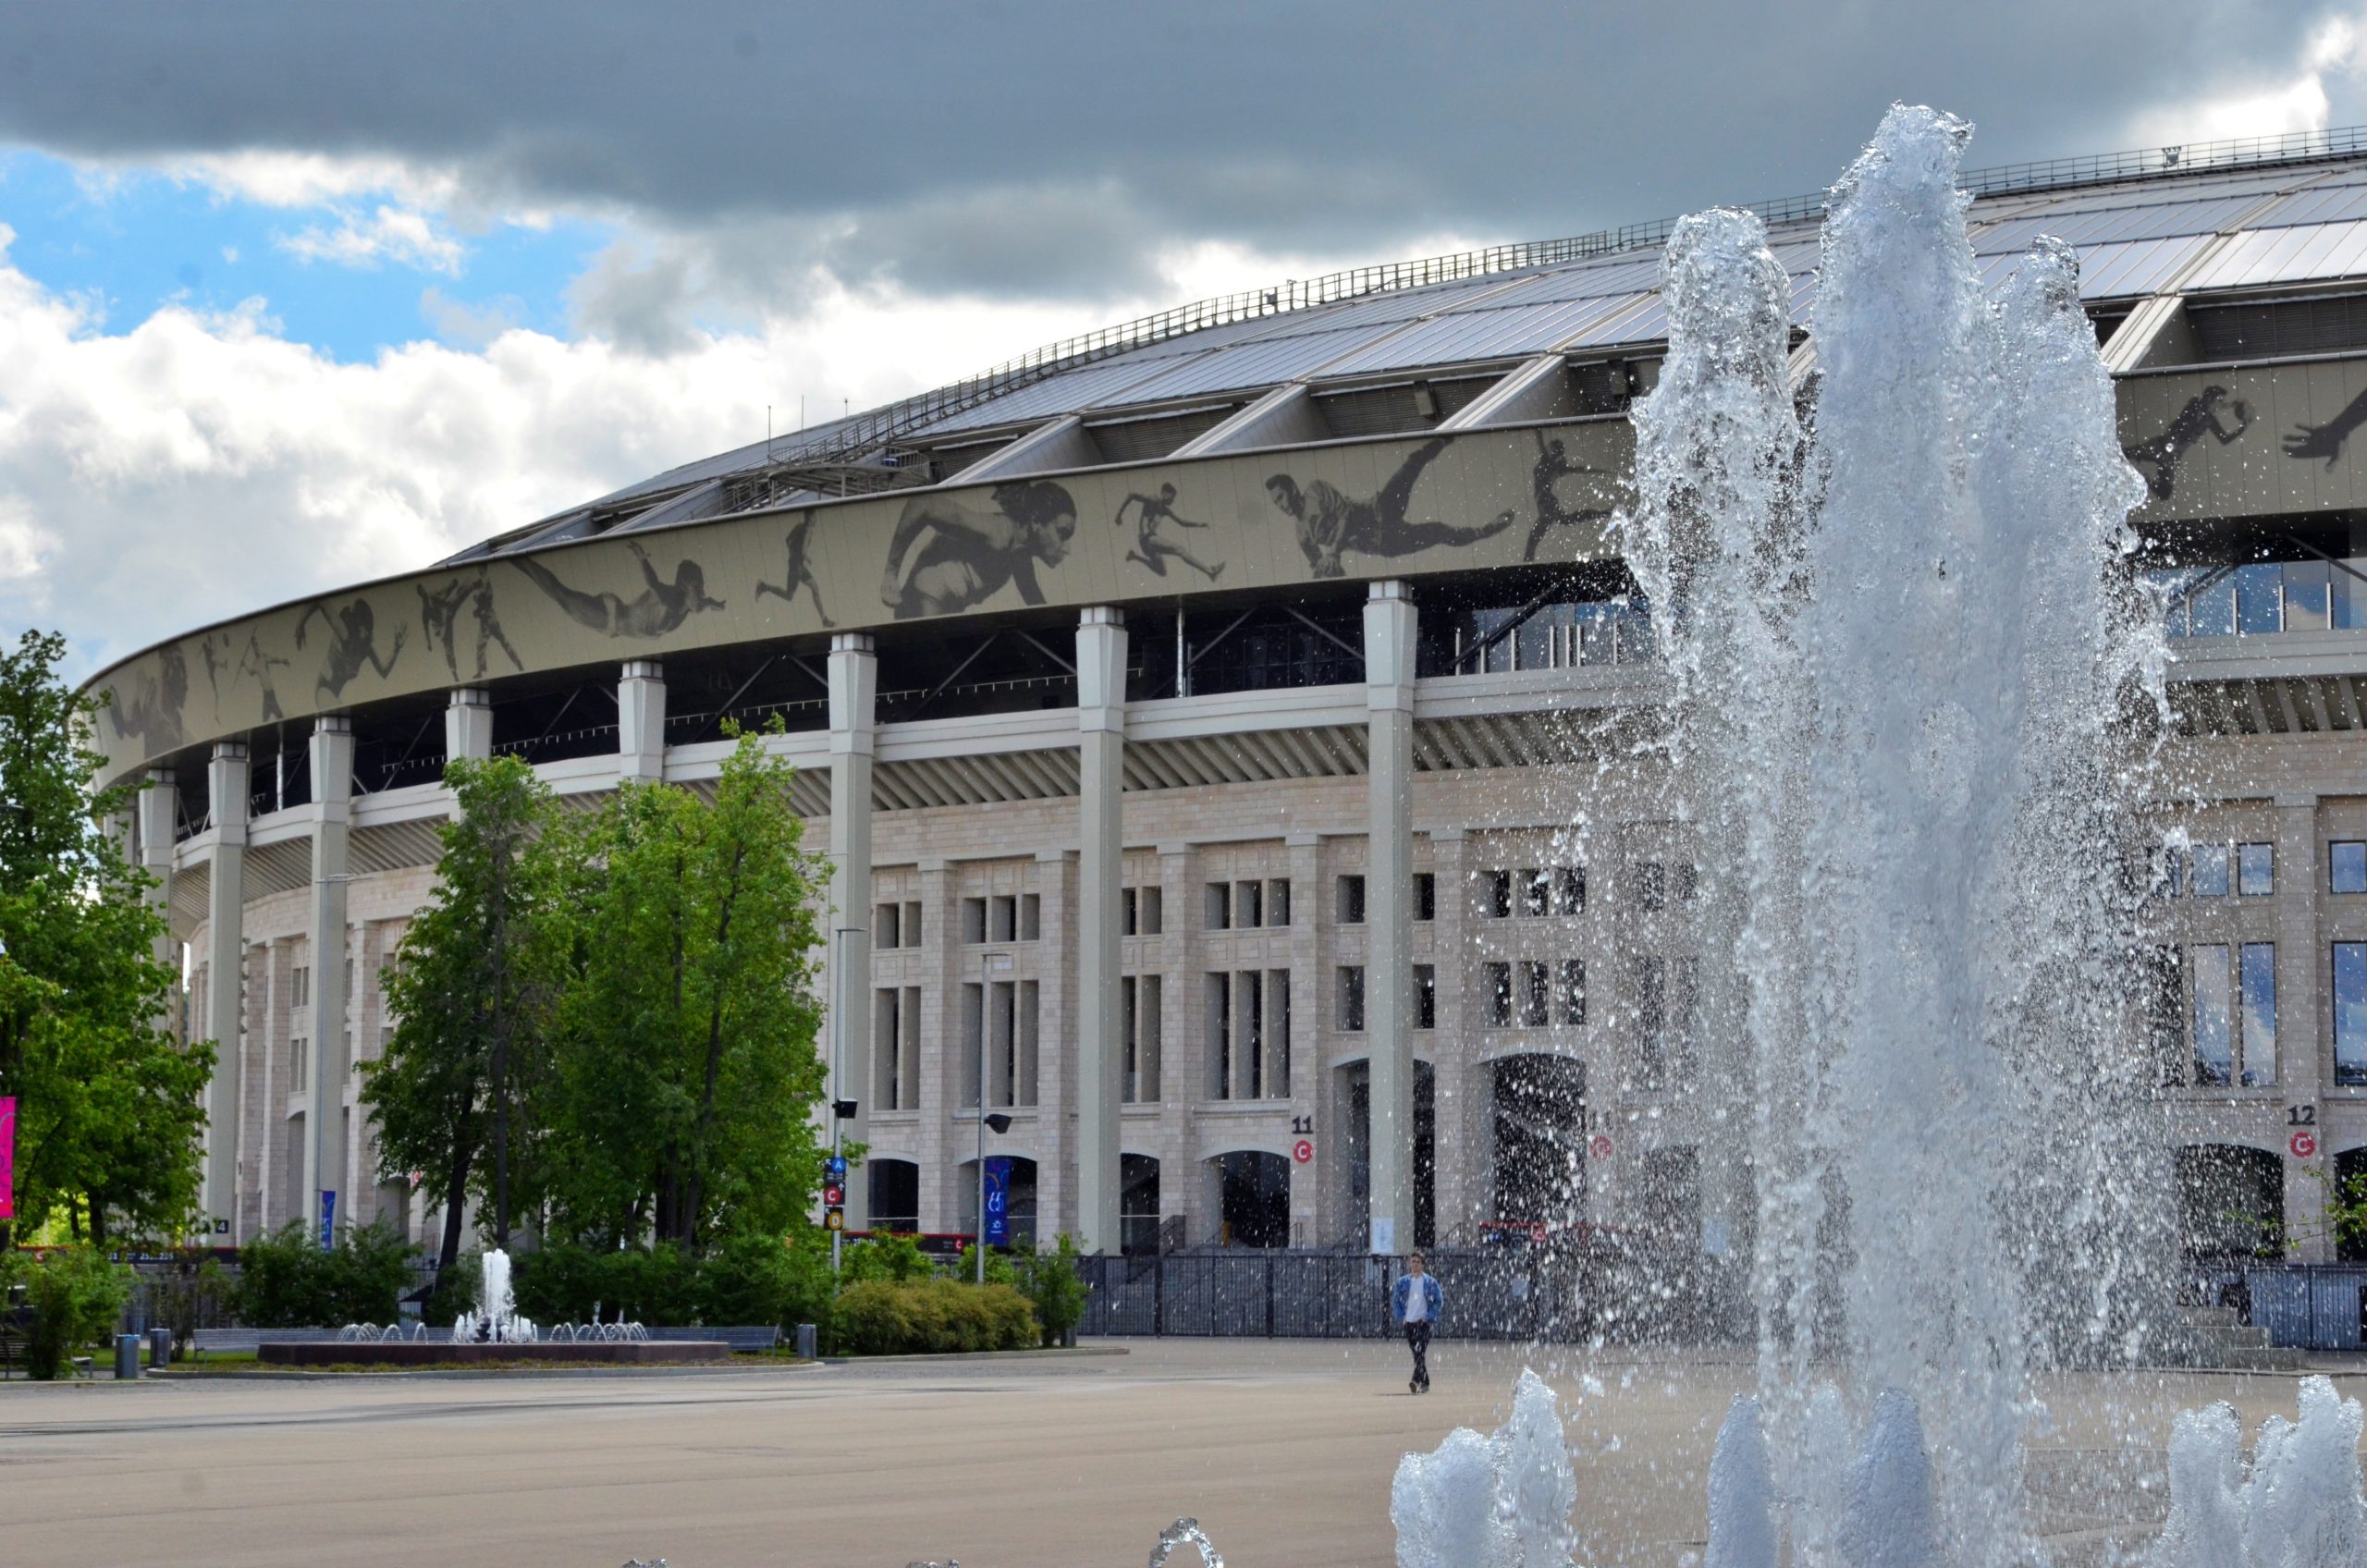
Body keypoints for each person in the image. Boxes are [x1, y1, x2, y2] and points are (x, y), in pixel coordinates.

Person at [1392, 1252, 1442, 1393]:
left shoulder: (1430, 1282)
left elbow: (1439, 1301)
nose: (1415, 1264)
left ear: (1423, 1265)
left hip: (1424, 1323)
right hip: (1409, 1323)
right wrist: (1401, 1316)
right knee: (1417, 1354)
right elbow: (1396, 1301)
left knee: (1420, 1351)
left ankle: (1416, 1380)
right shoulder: (1402, 1282)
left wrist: (1428, 1316)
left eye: (1418, 1262)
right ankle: (1424, 1381)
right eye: (1413, 1261)